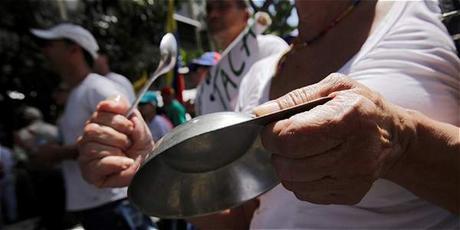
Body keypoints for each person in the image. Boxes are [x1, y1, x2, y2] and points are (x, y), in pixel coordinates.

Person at [78, 0, 460, 229]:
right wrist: (158, 165)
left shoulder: (435, 12)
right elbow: (242, 220)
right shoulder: (259, 73)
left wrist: (403, 142)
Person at [31, 23, 155, 229]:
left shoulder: (97, 87)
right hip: (98, 203)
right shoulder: (76, 93)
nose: (44, 51)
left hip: (114, 202)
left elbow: (131, 137)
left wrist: (57, 153)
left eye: (50, 44)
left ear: (74, 49)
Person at [194, 0, 289, 115]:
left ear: (246, 15)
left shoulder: (270, 48)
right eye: (209, 9)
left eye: (223, 6)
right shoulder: (208, 82)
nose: (213, 14)